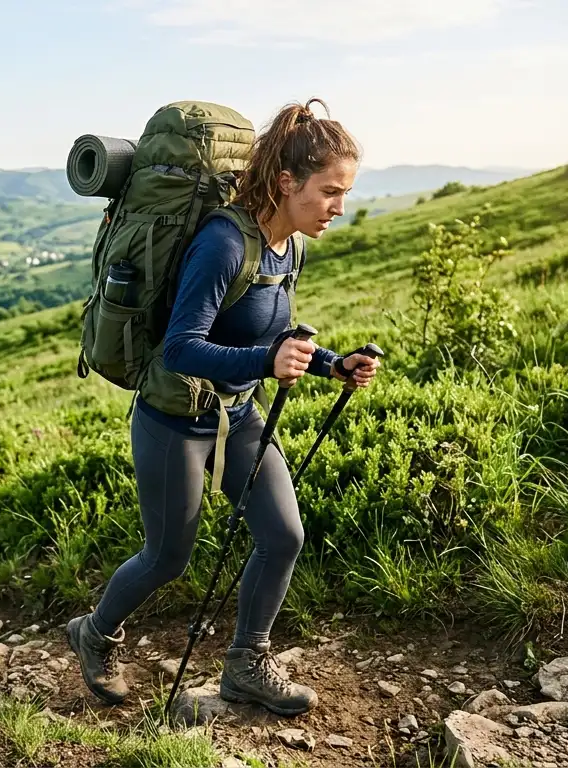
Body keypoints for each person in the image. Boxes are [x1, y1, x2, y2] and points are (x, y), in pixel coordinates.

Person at [66, 99, 380, 716]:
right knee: (167, 558)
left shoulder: (289, 247)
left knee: (283, 536)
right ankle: (94, 633)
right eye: (330, 192)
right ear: (287, 183)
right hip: (173, 418)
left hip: (238, 415)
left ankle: (246, 665)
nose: (339, 207)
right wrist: (268, 363)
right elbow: (183, 348)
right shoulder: (221, 243)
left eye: (345, 193)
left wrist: (329, 363)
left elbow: (270, 338)